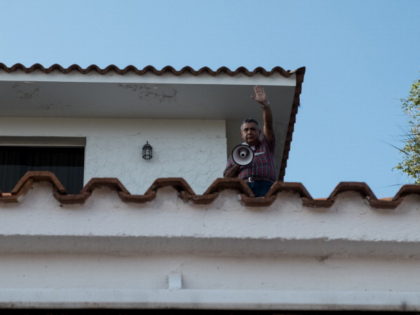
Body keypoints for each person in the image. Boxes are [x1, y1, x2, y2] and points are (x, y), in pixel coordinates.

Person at [223, 86, 276, 197]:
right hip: (244, 188)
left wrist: (265, 105)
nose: (249, 132)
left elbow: (269, 125)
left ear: (259, 132)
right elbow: (227, 177)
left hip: (266, 187)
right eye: (246, 130)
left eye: (253, 129)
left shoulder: (266, 144)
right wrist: (239, 163)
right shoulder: (237, 153)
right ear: (241, 134)